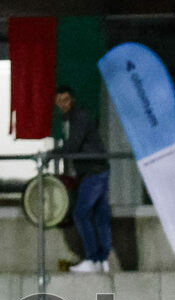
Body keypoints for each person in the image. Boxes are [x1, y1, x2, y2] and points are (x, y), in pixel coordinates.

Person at [54, 85, 112, 273]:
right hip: (98, 169)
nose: (63, 105)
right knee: (100, 215)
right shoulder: (73, 118)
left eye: (66, 100)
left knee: (81, 213)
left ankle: (92, 258)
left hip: (92, 172)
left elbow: (73, 145)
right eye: (59, 101)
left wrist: (50, 154)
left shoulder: (79, 118)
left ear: (72, 100)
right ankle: (102, 260)